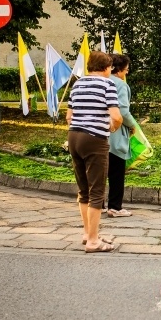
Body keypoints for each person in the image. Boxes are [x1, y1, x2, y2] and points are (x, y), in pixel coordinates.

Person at [66, 51, 122, 253]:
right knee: (97, 190)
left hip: (74, 137)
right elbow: (116, 116)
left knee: (83, 190)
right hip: (95, 139)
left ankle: (88, 233)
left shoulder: (77, 84)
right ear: (107, 67)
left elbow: (69, 116)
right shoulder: (108, 85)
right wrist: (112, 127)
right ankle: (93, 242)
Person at [107, 54, 137, 217]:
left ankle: (99, 205)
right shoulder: (120, 85)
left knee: (100, 172)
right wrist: (133, 125)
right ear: (120, 69)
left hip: (98, 133)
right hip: (115, 132)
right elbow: (123, 112)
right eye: (126, 69)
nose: (127, 72)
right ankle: (115, 207)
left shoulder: (101, 81)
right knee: (117, 172)